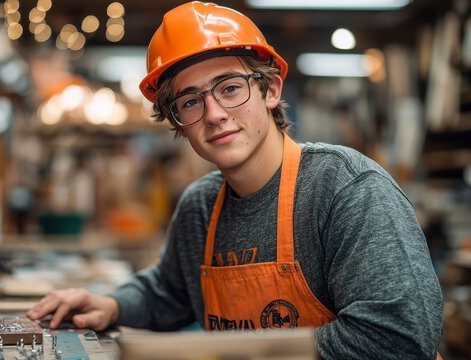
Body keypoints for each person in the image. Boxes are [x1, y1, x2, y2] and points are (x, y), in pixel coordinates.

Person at [27, 2, 444, 358]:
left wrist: (246, 350)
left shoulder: (345, 190)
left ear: (271, 90)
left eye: (229, 88)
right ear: (176, 122)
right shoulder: (201, 207)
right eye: (190, 101)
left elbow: (400, 339)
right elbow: (169, 291)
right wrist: (112, 305)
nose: (213, 114)